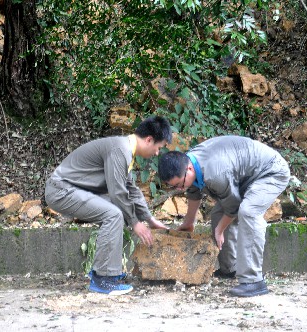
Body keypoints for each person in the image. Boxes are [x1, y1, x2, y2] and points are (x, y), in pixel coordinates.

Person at [45, 116, 172, 295]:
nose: (157, 153)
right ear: (149, 139)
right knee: (113, 214)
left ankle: (105, 274)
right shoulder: (120, 150)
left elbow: (131, 190)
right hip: (60, 189)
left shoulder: (125, 150)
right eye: (158, 148)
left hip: (70, 189)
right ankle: (102, 279)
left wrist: (149, 219)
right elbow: (117, 192)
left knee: (116, 211)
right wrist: (136, 223)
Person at [158, 135, 290, 297]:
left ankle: (253, 281)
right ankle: (230, 269)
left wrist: (220, 230)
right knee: (218, 214)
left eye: (179, 184)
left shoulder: (215, 173)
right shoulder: (189, 163)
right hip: (244, 177)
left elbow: (233, 207)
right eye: (174, 186)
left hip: (271, 171)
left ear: (189, 169)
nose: (179, 189)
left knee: (248, 212)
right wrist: (189, 221)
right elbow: (193, 190)